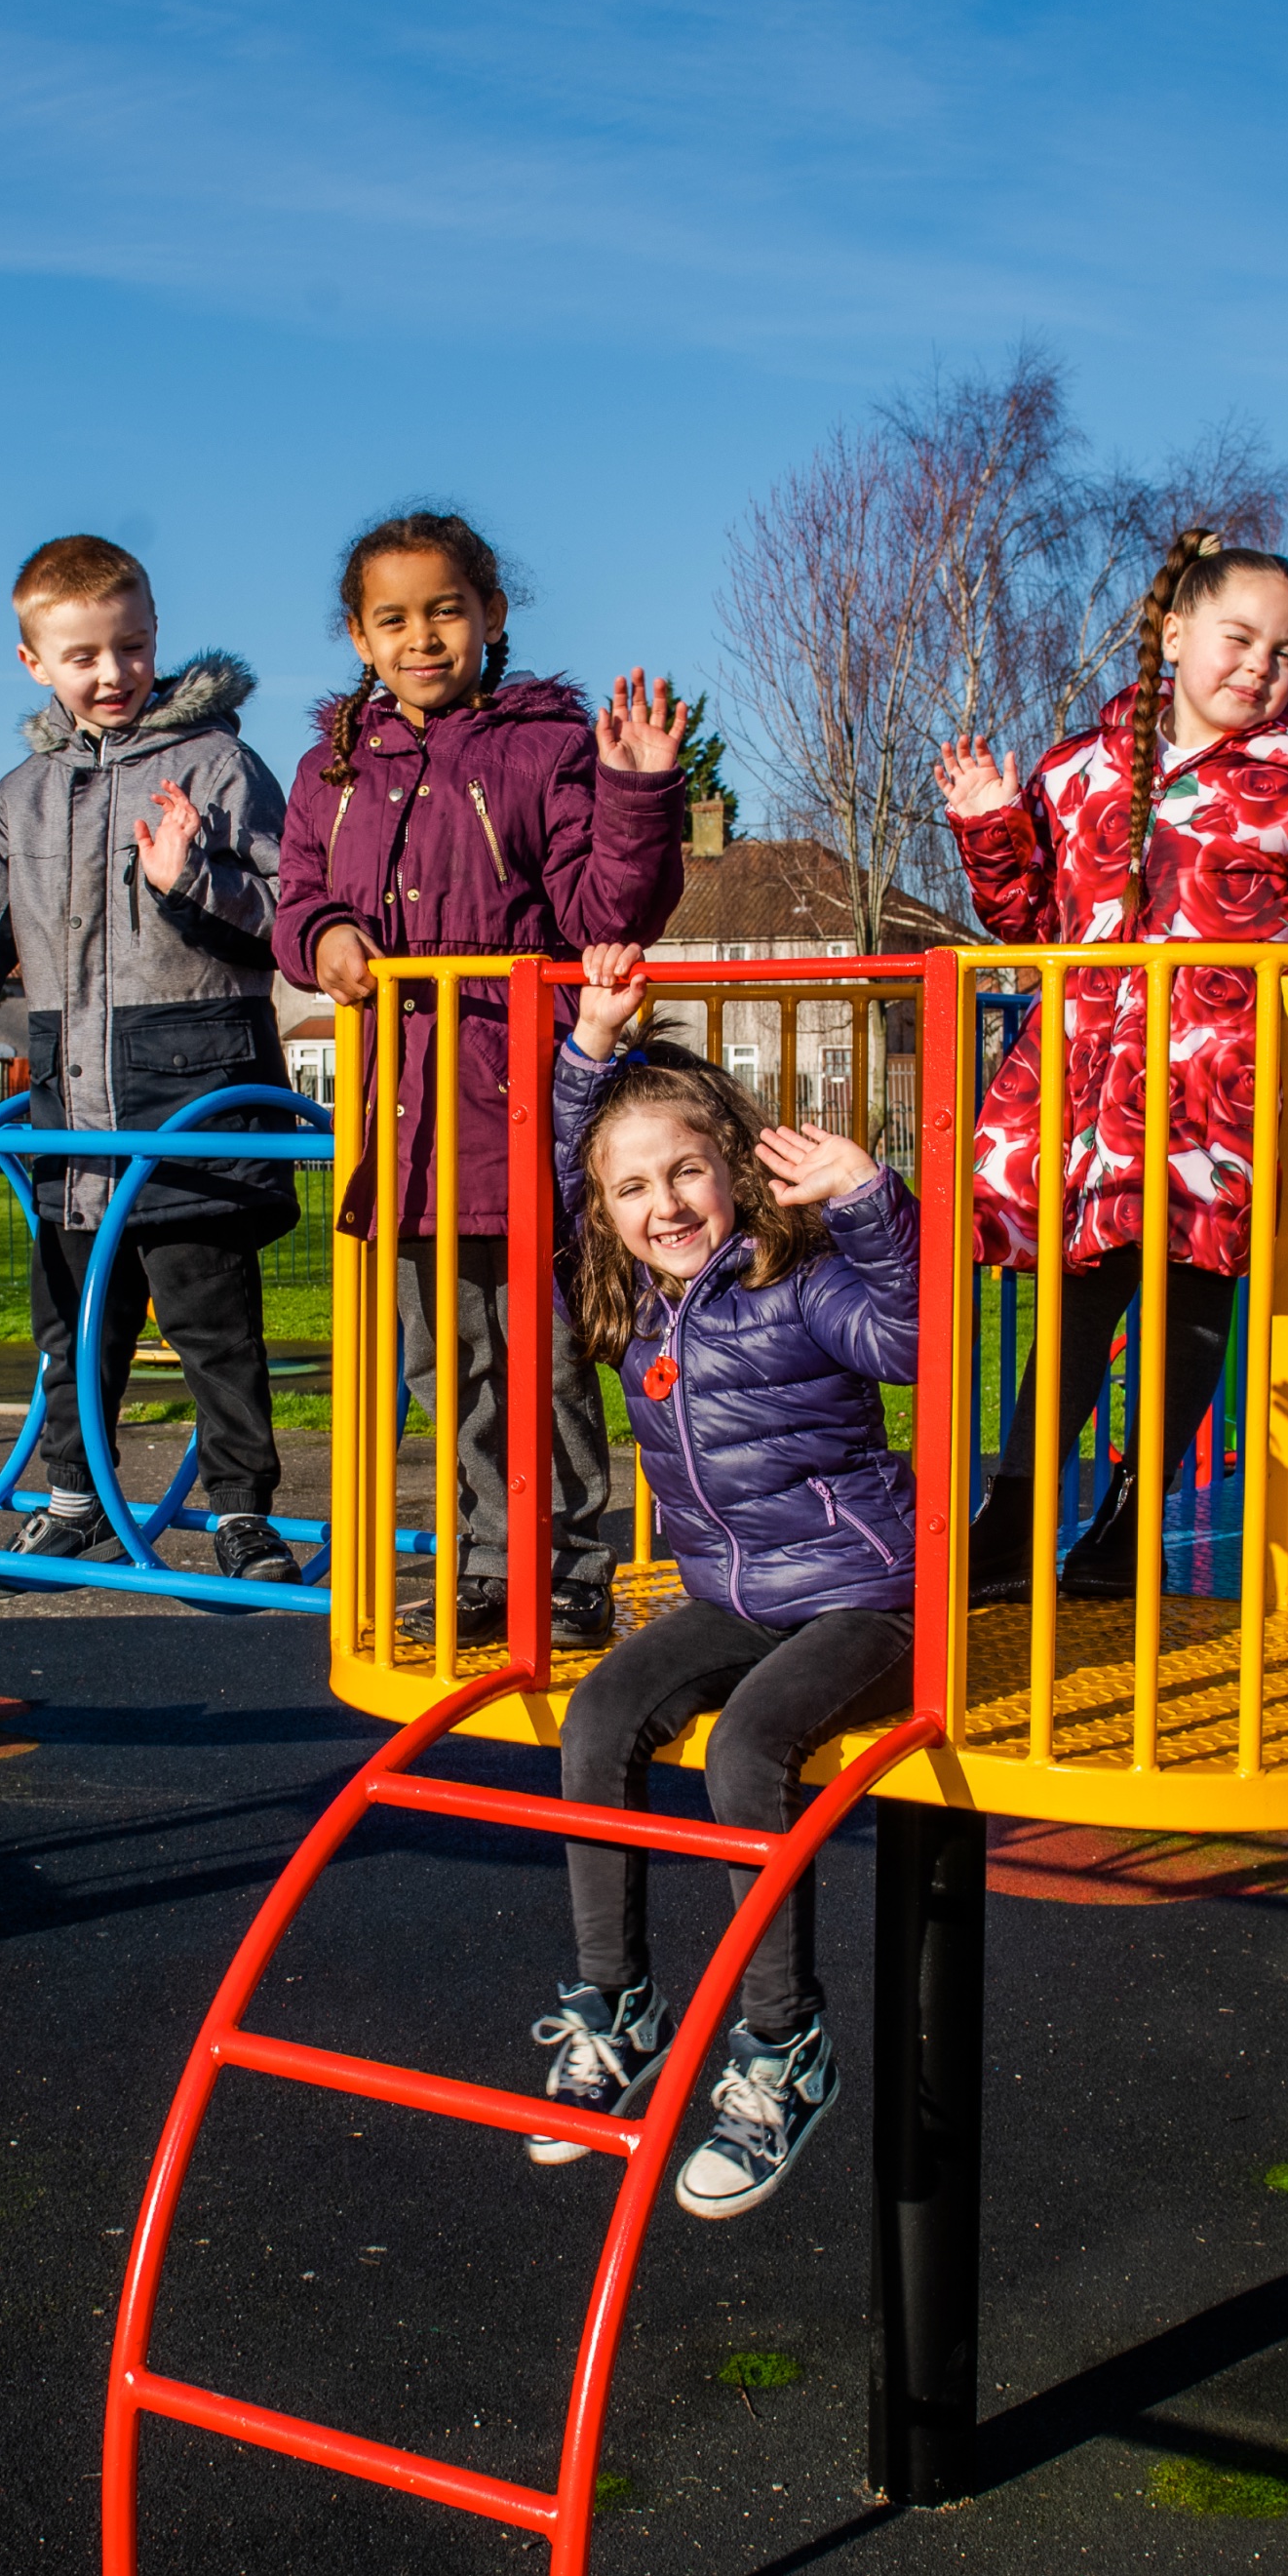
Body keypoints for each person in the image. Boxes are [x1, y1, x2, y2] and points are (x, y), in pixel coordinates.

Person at [931, 535, 1288, 1600]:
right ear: (1176, 633)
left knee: (1196, 1302)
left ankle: (1122, 1527)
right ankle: (1011, 1524)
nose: (1260, 667)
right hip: (1092, 1089)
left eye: (1286, 654)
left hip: (1219, 1098)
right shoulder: (1079, 770)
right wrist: (988, 825)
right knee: (1076, 1302)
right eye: (1239, 639)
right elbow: (1026, 918)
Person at [523, 945, 921, 2220]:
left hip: (867, 1593)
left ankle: (782, 2045)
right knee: (598, 1718)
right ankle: (616, 2004)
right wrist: (587, 1052)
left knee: (750, 1749)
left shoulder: (795, 1284)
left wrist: (866, 1199)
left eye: (687, 1170)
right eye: (635, 1187)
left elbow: (913, 1338)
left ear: (734, 1169)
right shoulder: (638, 1299)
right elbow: (560, 1164)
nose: (664, 1203)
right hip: (734, 1593)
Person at [0, 534, 302, 1588]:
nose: (112, 675)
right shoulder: (22, 796)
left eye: (132, 649)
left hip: (195, 1109)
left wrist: (195, 881)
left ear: (157, 642)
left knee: (212, 1332)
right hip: (72, 1118)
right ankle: (71, 1502)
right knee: (73, 1331)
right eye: (85, 655)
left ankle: (242, 1516)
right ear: (33, 664)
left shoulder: (219, 766)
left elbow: (290, 923)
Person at [274, 508, 688, 1651]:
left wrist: (638, 792)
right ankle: (480, 1559)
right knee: (438, 1365)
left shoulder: (543, 748)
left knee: (544, 1367)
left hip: (514, 1115)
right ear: (358, 637)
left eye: (446, 610)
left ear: (492, 617)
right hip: (399, 1133)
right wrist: (323, 937)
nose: (423, 637)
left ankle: (561, 1571)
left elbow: (605, 911)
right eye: (394, 618)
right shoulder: (335, 767)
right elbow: (298, 892)